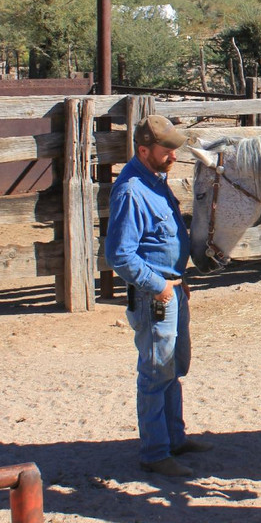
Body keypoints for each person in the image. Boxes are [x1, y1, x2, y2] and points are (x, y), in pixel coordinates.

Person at [106, 114, 212, 478]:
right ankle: (154, 452)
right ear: (143, 150)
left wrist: (178, 279)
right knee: (156, 371)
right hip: (156, 296)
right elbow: (119, 255)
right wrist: (162, 284)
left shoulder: (155, 180)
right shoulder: (132, 190)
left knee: (173, 367)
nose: (173, 156)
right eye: (167, 150)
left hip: (171, 289)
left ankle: (174, 438)